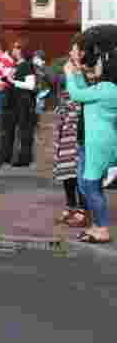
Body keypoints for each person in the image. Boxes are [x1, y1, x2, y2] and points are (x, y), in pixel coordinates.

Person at [64, 45, 117, 244]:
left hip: (98, 142)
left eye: (101, 62)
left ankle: (102, 228)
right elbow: (85, 92)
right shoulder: (107, 88)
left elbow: (77, 95)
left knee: (90, 186)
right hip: (100, 140)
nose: (97, 65)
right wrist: (77, 72)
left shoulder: (107, 88)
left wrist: (70, 75)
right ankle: (96, 225)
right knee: (89, 185)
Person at [53, 35, 86, 228]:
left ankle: (83, 209)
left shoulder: (88, 72)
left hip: (79, 124)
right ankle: (70, 205)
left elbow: (81, 95)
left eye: (76, 49)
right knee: (66, 167)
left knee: (79, 167)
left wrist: (76, 72)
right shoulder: (66, 68)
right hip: (66, 122)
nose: (72, 53)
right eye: (73, 49)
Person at [1, 40, 36, 167]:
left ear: (22, 50)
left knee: (24, 130)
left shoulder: (27, 65)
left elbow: (31, 85)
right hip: (13, 101)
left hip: (23, 101)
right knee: (9, 129)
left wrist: (13, 81)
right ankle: (8, 155)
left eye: (16, 47)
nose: (13, 49)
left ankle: (24, 157)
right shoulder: (16, 65)